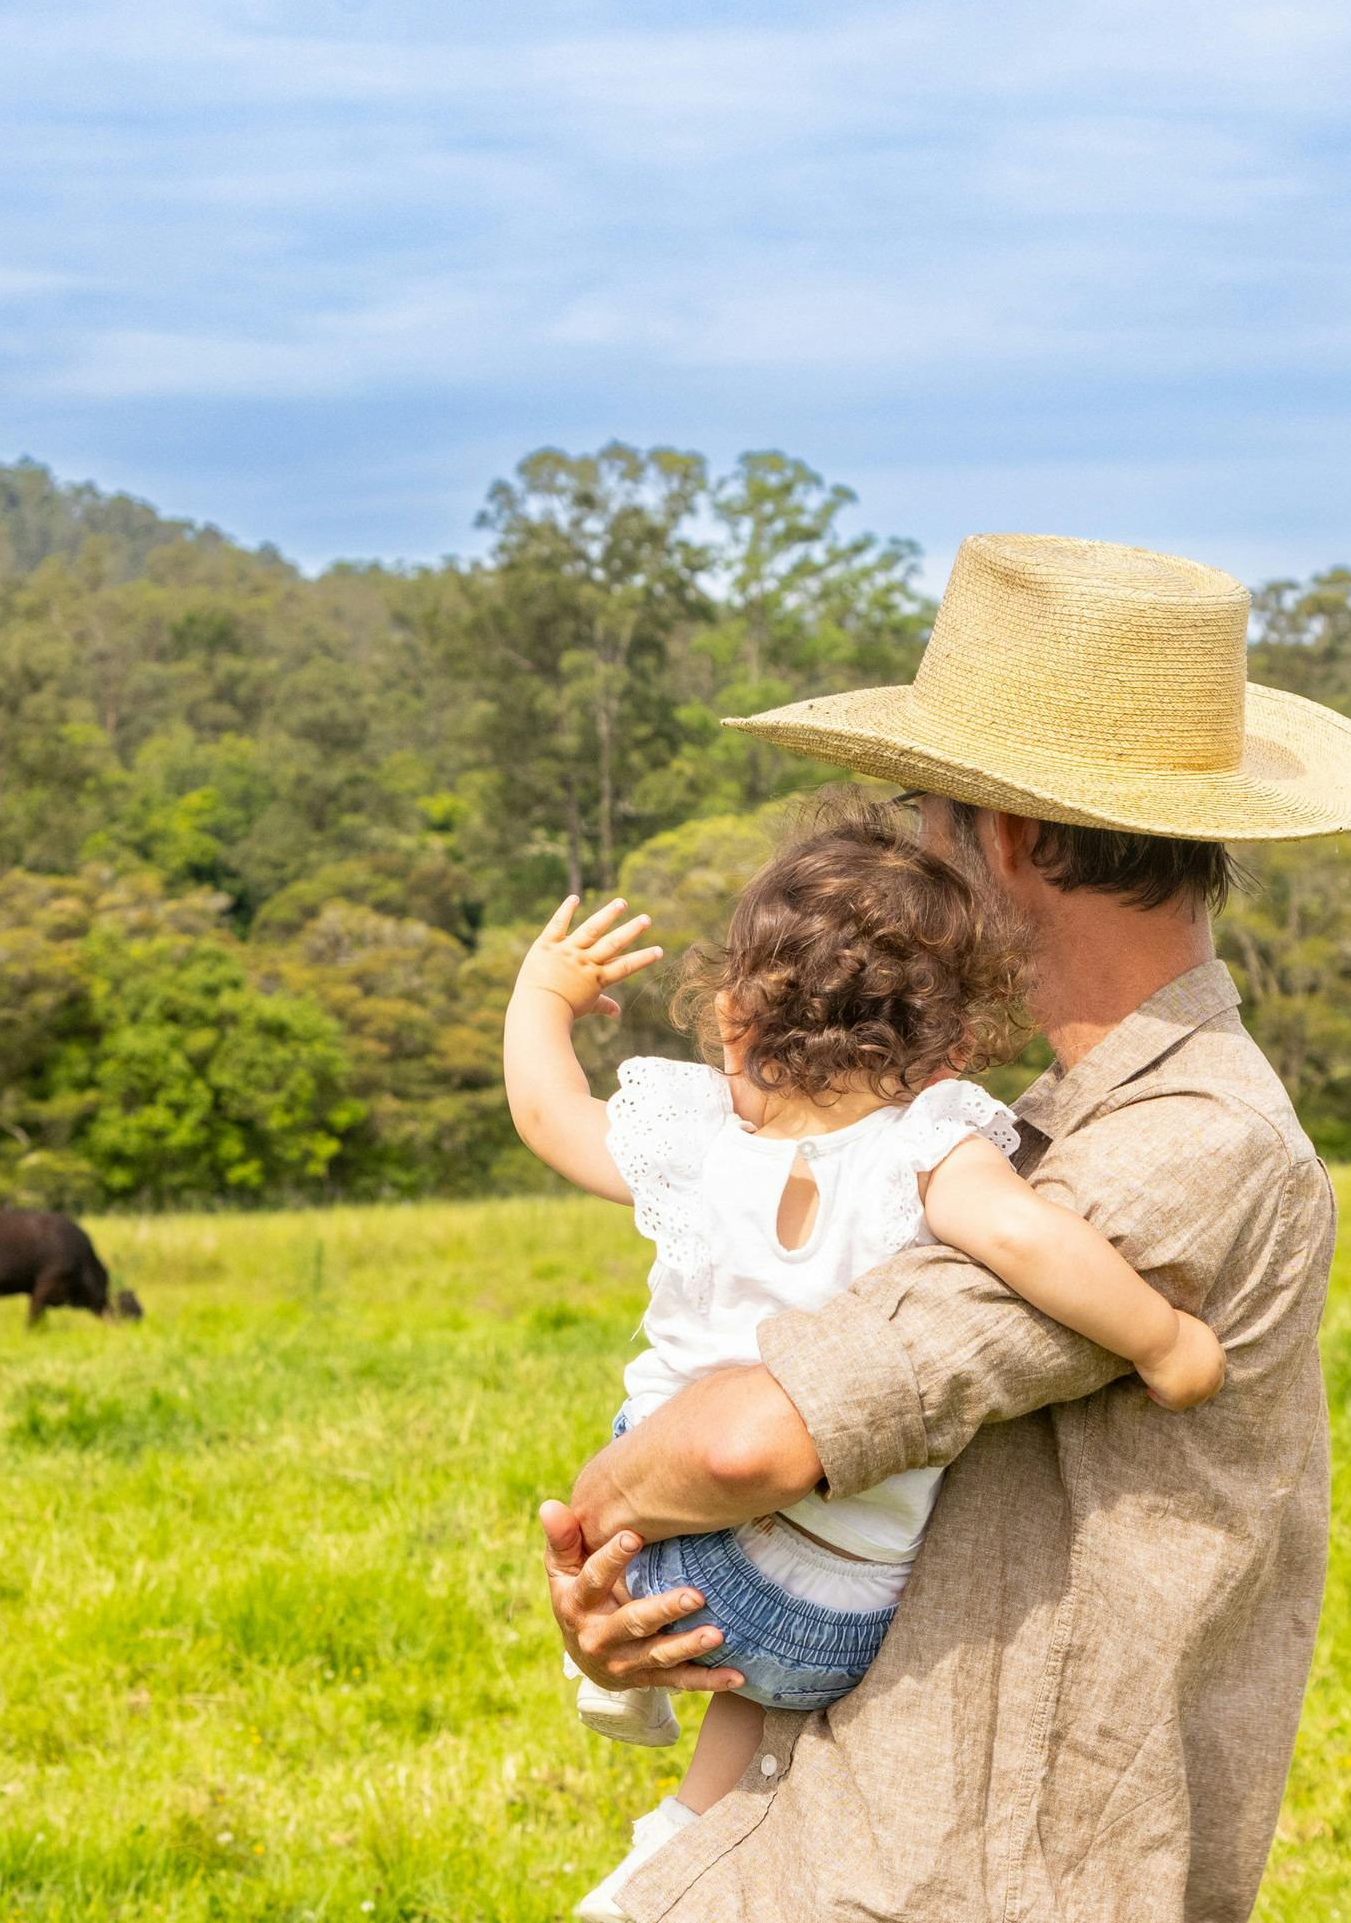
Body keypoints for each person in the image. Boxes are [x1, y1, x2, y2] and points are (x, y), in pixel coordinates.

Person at [539, 534, 1351, 1923]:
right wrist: (636, 1589)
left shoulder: (1187, 1144)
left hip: (965, 1875)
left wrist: (600, 1519)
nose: (904, 852)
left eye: (919, 811)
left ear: (1003, 835)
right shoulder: (1043, 1121)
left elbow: (745, 1438)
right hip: (864, 1835)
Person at [507, 807, 1229, 1917]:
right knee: (771, 1644)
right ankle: (676, 1837)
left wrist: (542, 996)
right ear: (949, 1039)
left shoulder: (701, 1140)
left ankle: (646, 1797)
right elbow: (1034, 1242)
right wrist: (1166, 1341)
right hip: (837, 1606)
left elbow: (550, 1113)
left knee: (668, 1439)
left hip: (655, 1556)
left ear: (733, 1017)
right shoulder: (929, 1141)